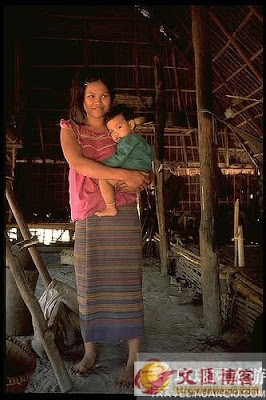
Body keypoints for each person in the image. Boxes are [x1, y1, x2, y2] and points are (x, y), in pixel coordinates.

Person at [60, 67, 151, 388]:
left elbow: (140, 163)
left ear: (111, 98)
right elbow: (78, 164)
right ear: (81, 99)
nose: (98, 102)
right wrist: (127, 177)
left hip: (123, 211)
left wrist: (142, 177)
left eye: (104, 95)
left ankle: (132, 358)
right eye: (91, 96)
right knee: (90, 282)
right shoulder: (70, 128)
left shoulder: (121, 128)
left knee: (128, 281)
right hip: (89, 212)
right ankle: (90, 350)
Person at [95, 103, 153, 217]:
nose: (115, 134)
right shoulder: (139, 140)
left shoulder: (128, 140)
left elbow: (119, 158)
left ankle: (110, 207)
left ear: (131, 124)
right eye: (111, 131)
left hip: (133, 174)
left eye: (119, 127)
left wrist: (102, 166)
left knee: (103, 179)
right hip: (142, 175)